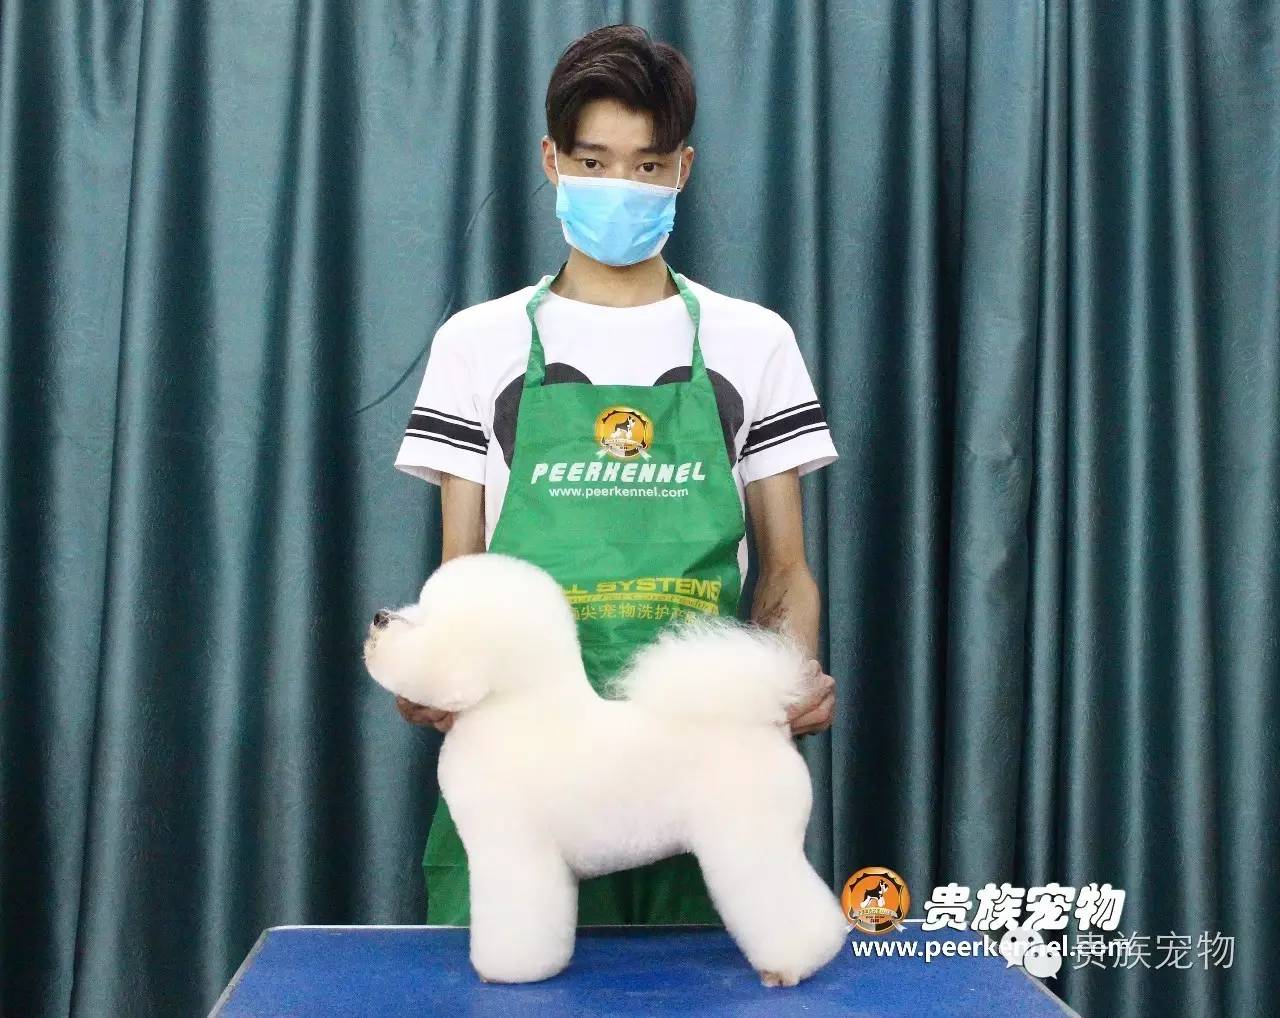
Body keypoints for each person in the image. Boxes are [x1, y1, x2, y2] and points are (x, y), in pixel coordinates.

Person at [392, 24, 839, 927]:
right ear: (552, 160)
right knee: (504, 972)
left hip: (696, 764)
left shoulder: (755, 341)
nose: (620, 187)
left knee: (715, 974)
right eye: (594, 163)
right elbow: (463, 572)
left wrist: (785, 680)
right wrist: (437, 670)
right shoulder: (476, 344)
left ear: (683, 170)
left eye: (647, 165)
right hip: (527, 767)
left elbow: (785, 569)